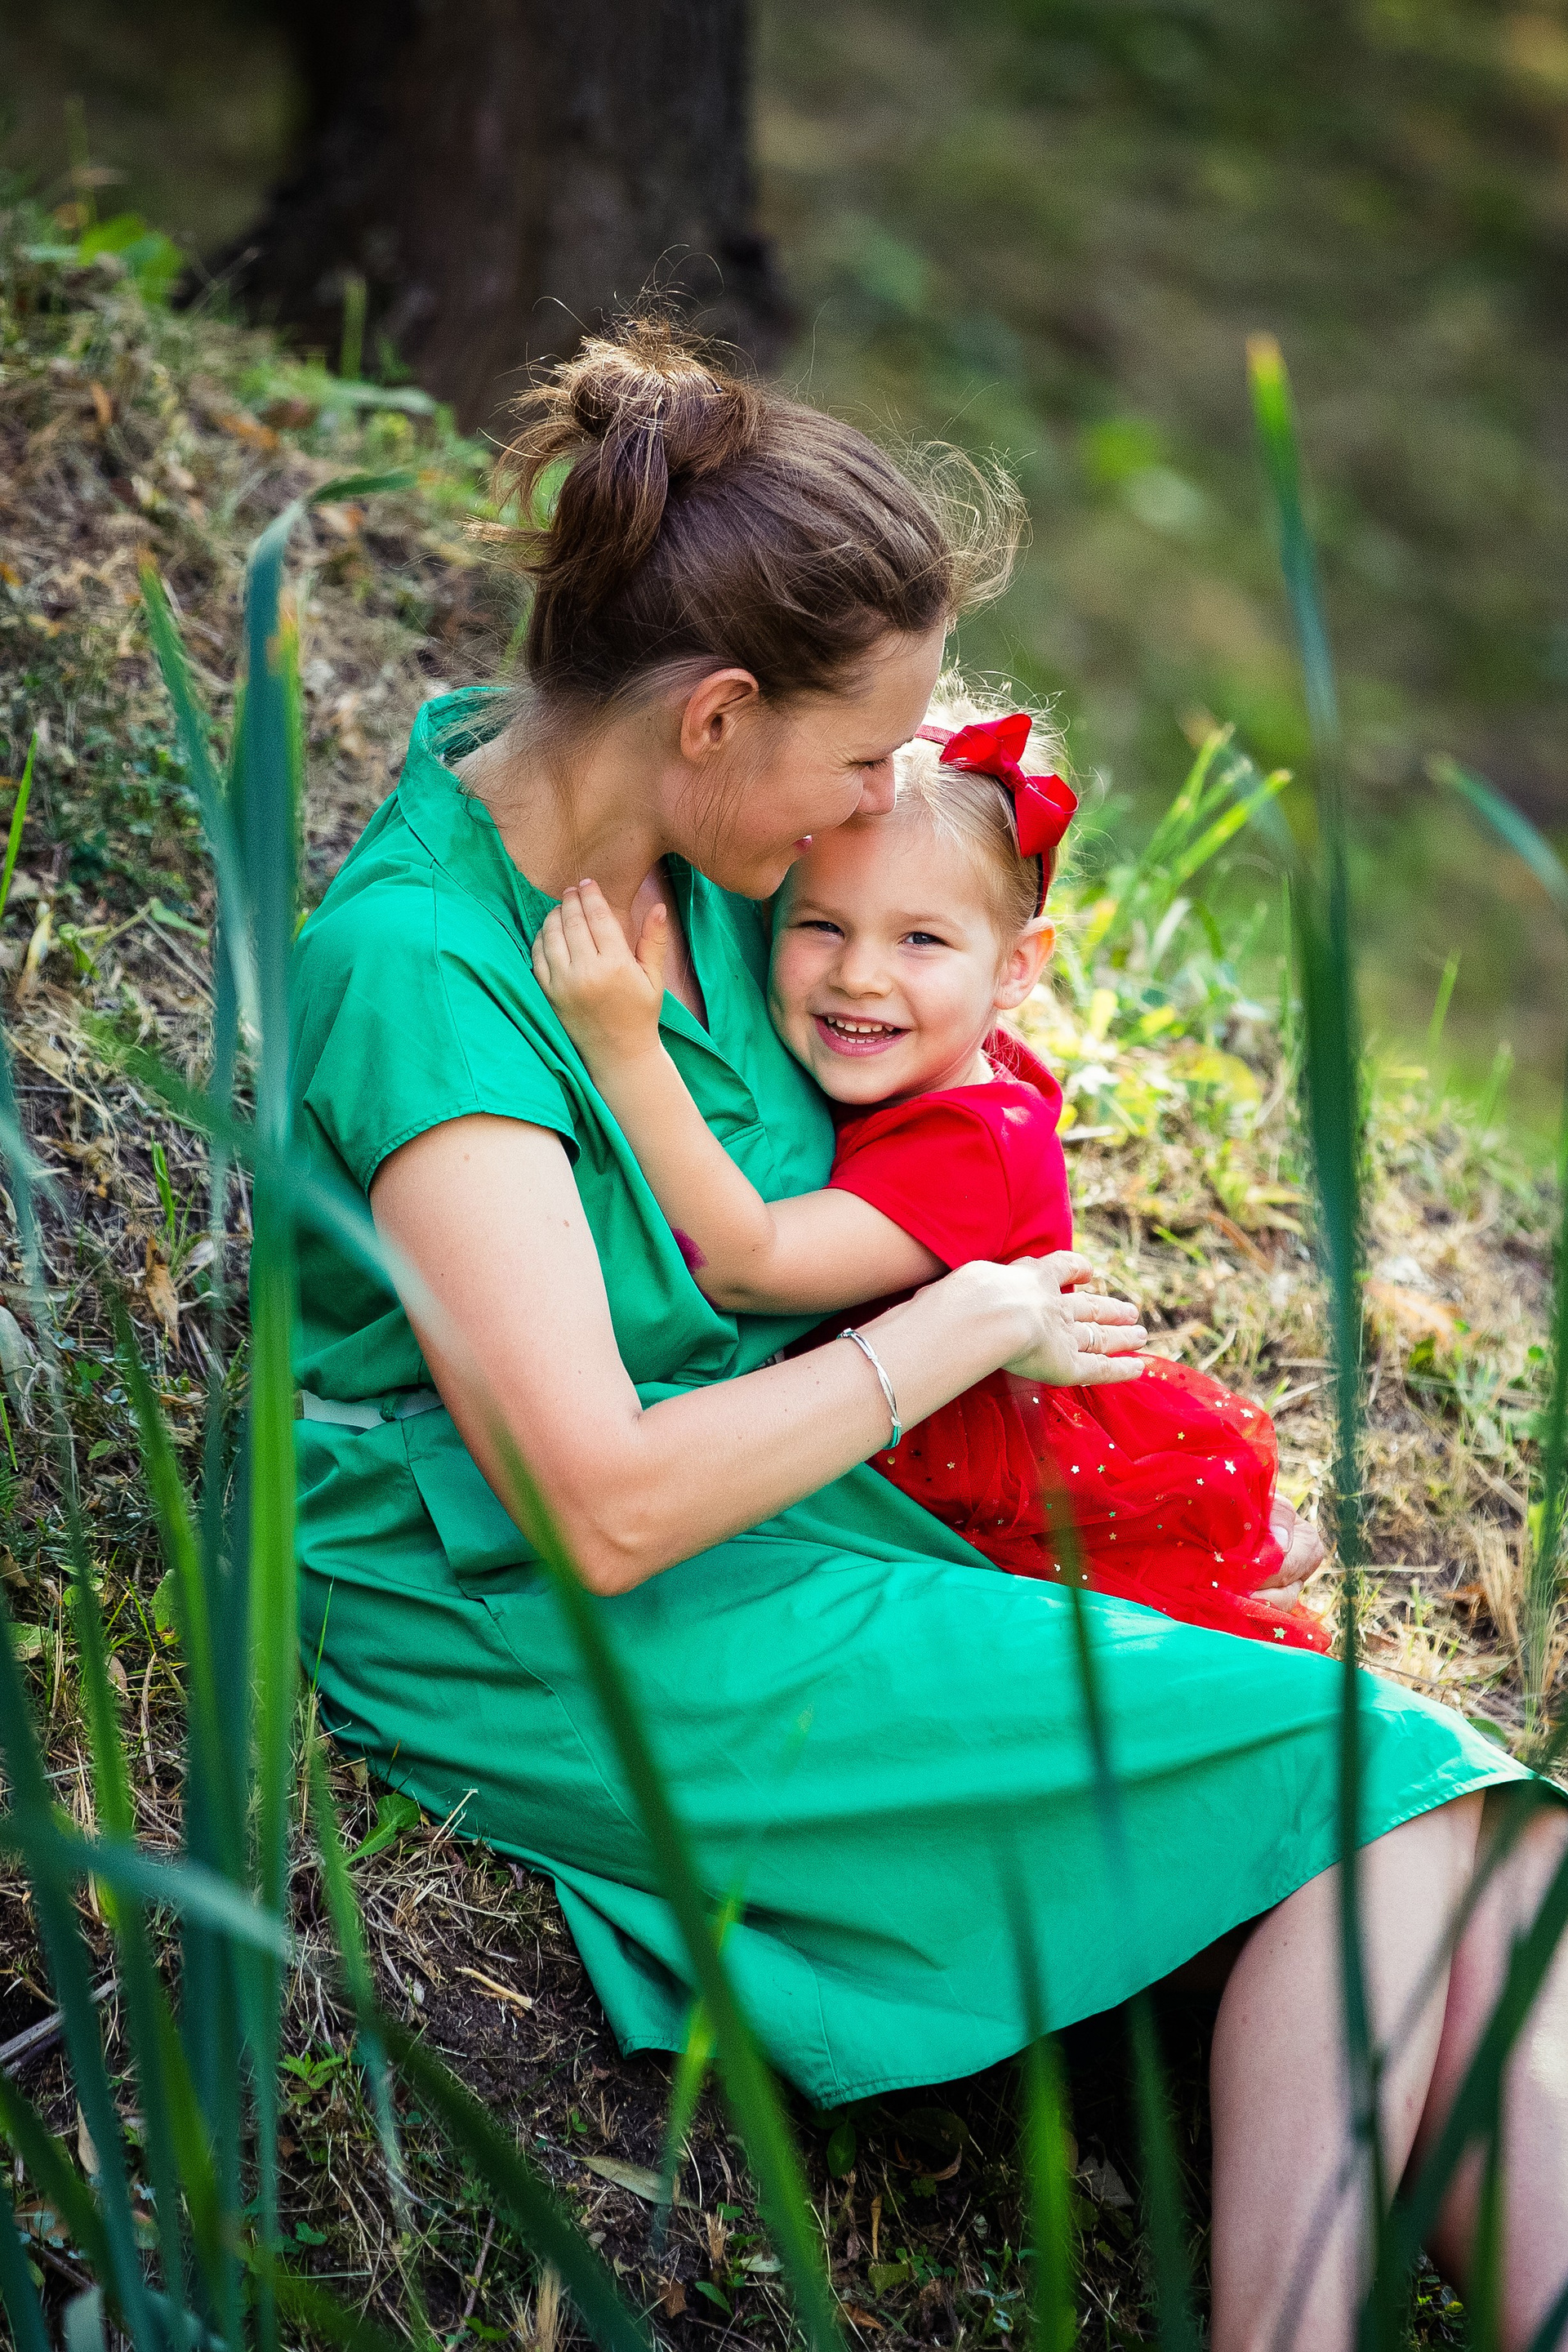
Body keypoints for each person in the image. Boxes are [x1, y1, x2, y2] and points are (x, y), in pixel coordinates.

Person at [290, 316, 1568, 2348]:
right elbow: (596, 1507)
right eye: (863, 757)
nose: (889, 794)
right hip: (562, 1613)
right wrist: (954, 1325)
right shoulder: (436, 978)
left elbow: (924, 981)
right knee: (1378, 1781)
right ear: (715, 717)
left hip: (794, 1517)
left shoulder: (695, 834)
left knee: (1480, 1869)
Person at [530, 684, 1329, 1653]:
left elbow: (747, 1261)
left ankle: (1235, 1552)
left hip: (970, 1488)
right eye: (822, 925)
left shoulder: (971, 1147)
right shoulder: (912, 1058)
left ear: (1016, 967)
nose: (860, 974)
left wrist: (625, 1048)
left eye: (921, 939)